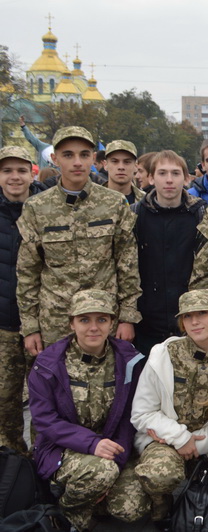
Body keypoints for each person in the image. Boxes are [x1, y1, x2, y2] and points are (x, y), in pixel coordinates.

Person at [28, 290, 148, 531]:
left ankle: (92, 496)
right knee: (100, 473)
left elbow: (130, 416)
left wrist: (117, 459)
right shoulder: (48, 364)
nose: (94, 328)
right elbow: (45, 420)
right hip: (63, 447)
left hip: (113, 448)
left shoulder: (129, 360)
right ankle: (65, 515)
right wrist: (92, 444)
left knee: (130, 507)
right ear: (71, 323)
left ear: (112, 323)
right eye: (84, 320)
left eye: (101, 319)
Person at [16, 126, 141, 353]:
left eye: (84, 155)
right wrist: (30, 326)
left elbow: (127, 264)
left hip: (103, 320)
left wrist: (127, 316)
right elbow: (28, 271)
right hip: (55, 322)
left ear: (93, 159)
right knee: (55, 376)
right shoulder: (36, 207)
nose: (77, 162)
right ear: (55, 159)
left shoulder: (114, 203)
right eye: (68, 155)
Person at [132, 289, 208, 529]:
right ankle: (162, 507)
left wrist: (195, 445)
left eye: (202, 314)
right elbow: (142, 413)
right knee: (160, 475)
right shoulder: (163, 354)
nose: (194, 321)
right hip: (166, 441)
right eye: (187, 316)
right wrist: (180, 438)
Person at [131, 150, 208, 358]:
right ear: (151, 178)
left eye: (175, 173)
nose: (169, 180)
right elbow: (126, 268)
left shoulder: (202, 214)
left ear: (186, 178)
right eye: (162, 173)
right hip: (146, 323)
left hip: (190, 321)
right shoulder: (135, 214)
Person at [0, 146, 44, 450]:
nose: (14, 177)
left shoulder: (46, 209)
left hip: (42, 324)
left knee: (44, 402)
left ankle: (44, 464)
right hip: (3, 324)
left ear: (32, 174)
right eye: (7, 171)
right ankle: (12, 463)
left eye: (21, 170)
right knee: (5, 402)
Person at [104, 140, 144, 205]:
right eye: (115, 161)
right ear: (105, 165)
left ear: (136, 166)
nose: (121, 167)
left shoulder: (147, 202)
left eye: (127, 162)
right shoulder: (91, 199)